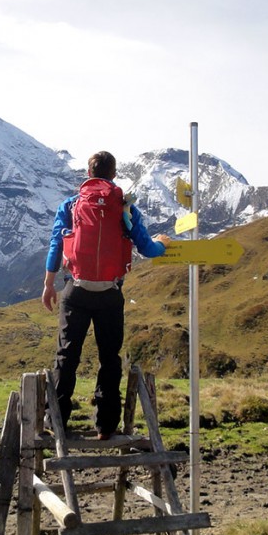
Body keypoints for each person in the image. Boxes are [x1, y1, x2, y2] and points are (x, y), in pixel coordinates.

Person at [42, 151, 170, 440]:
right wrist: (163, 244)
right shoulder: (124, 207)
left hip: (76, 290)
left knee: (66, 355)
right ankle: (106, 426)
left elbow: (56, 245)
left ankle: (57, 421)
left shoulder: (71, 205)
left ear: (88, 175)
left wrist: (49, 284)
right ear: (114, 175)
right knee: (109, 357)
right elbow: (148, 249)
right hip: (110, 293)